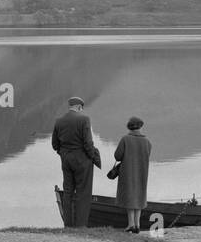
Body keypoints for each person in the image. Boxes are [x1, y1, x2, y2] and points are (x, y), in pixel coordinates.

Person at [52, 96, 101, 228]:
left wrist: (64, 154)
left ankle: (68, 224)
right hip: (82, 161)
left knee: (68, 192)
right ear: (79, 107)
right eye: (81, 108)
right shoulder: (84, 120)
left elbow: (54, 144)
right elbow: (88, 143)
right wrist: (93, 157)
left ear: (70, 106)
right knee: (83, 192)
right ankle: (80, 225)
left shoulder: (59, 121)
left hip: (66, 160)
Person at [113, 116, 152, 233]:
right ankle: (137, 224)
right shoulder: (147, 142)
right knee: (139, 197)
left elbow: (117, 156)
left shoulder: (125, 139)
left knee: (129, 196)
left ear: (129, 127)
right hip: (142, 172)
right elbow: (147, 155)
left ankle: (131, 224)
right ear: (140, 127)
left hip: (127, 172)